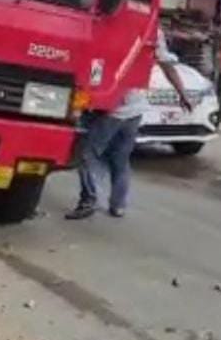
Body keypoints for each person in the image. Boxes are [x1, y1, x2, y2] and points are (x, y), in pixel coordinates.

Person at [66, 32, 191, 220]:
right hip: (135, 108)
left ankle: (89, 200)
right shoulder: (153, 31)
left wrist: (84, 100)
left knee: (87, 154)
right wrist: (182, 93)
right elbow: (167, 65)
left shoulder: (111, 24)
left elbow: (96, 63)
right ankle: (118, 205)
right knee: (120, 158)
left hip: (111, 108)